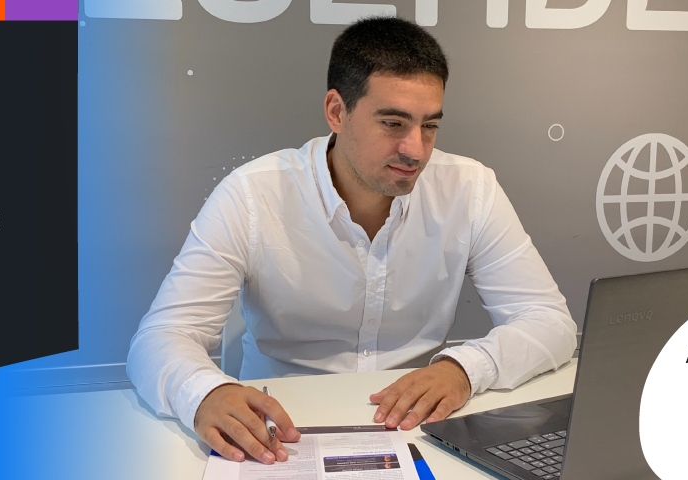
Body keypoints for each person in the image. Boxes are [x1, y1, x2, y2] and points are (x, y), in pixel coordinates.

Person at [127, 16, 576, 465]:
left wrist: (464, 369)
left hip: (416, 428)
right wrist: (205, 393)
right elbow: (164, 335)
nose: (416, 149)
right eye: (393, 123)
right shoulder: (252, 194)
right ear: (336, 111)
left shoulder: (469, 187)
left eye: (430, 125)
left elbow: (549, 321)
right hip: (282, 431)